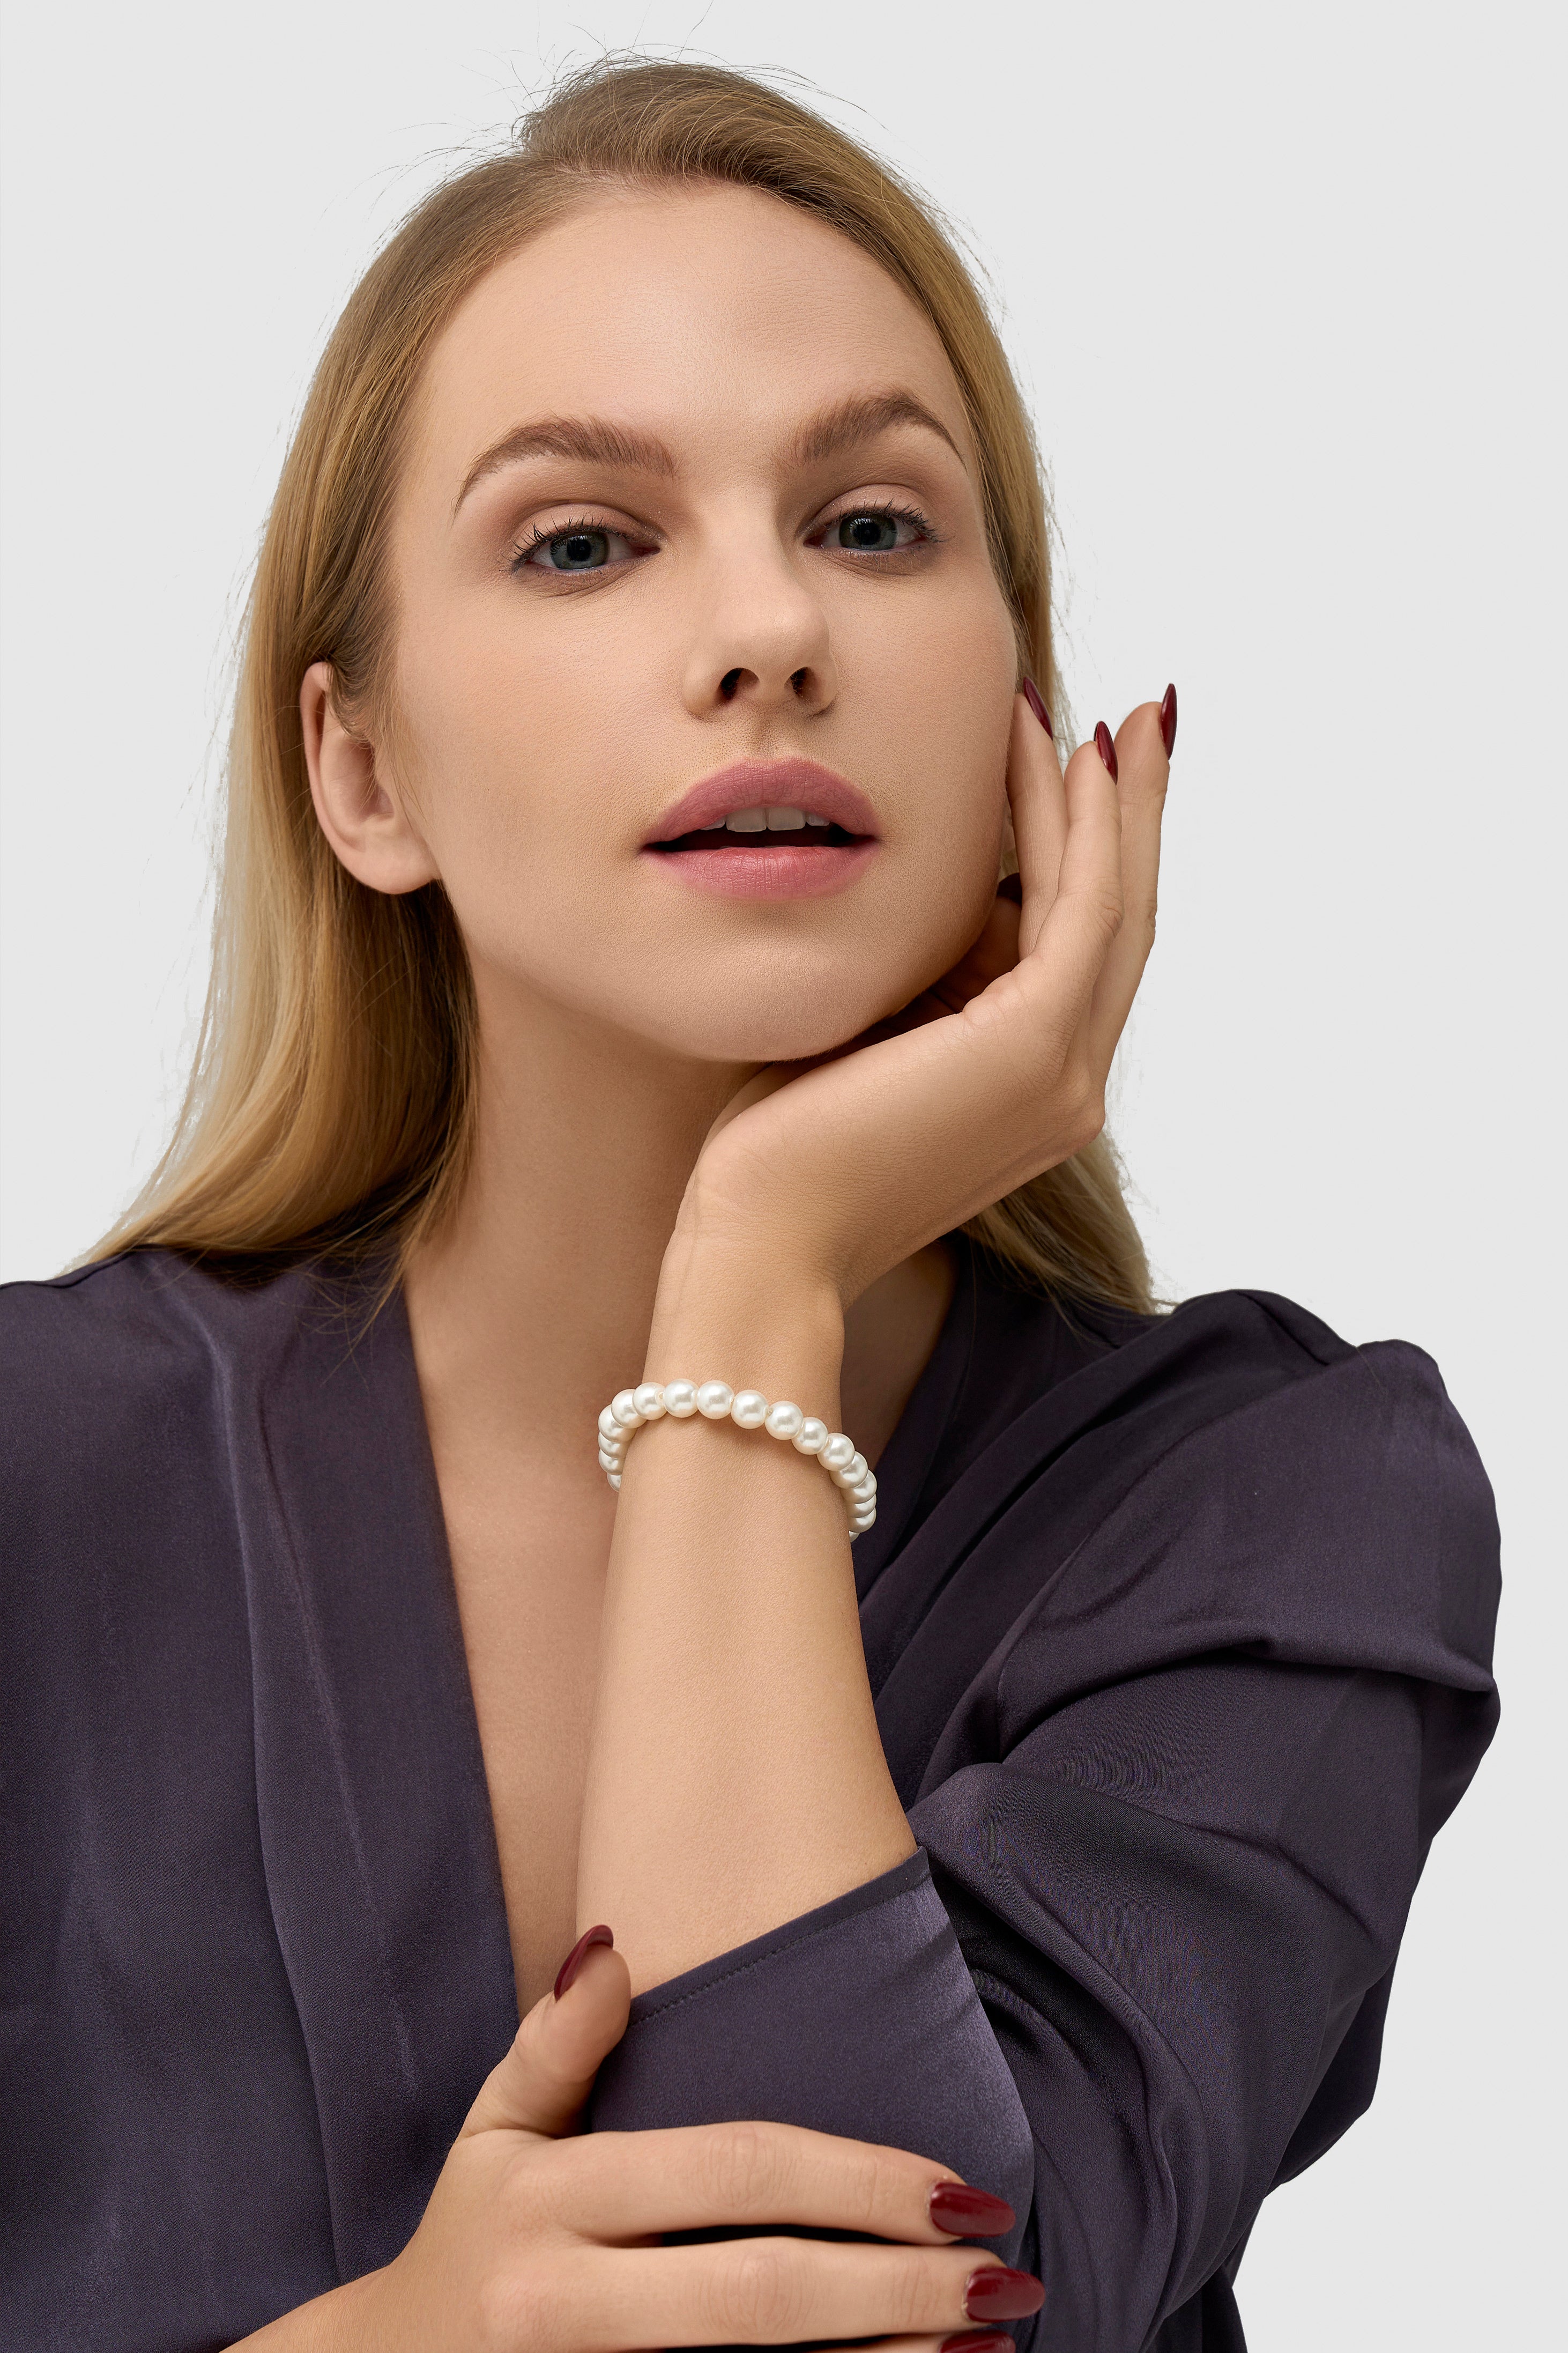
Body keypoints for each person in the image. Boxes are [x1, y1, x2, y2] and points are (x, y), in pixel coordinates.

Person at [0, 57, 1499, 2353]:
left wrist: (759, 1270)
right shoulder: (38, 1474)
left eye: (876, 525)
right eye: (583, 542)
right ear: (362, 770)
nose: (770, 628)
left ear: (1021, 718)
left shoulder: (1282, 1507)